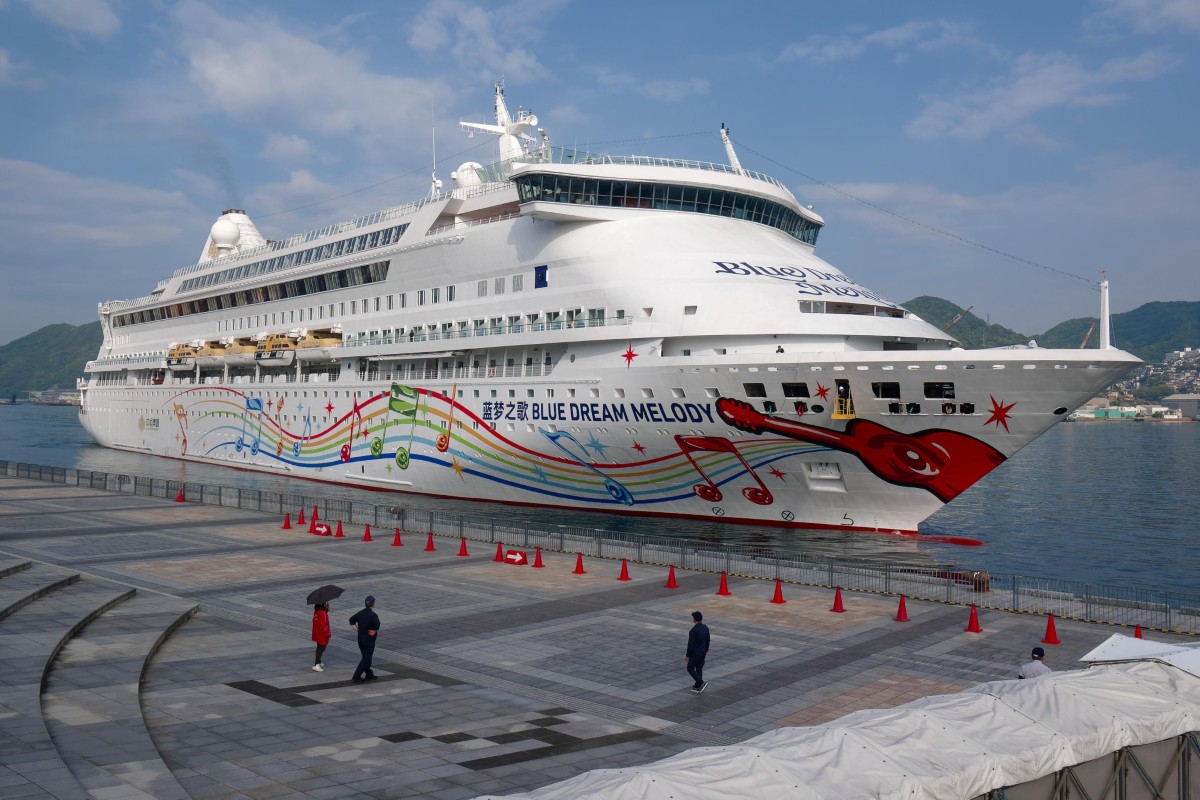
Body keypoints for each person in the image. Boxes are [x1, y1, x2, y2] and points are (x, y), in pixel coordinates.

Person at [349, 595, 380, 682]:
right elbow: (377, 625)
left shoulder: (361, 613)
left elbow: (351, 619)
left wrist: (354, 626)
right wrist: (374, 631)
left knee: (366, 657)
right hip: (369, 640)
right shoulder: (373, 615)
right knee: (366, 659)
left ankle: (369, 674)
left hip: (360, 639)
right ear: (373, 604)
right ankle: (356, 677)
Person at [685, 610, 710, 693]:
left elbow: (691, 644)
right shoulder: (705, 627)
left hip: (695, 653)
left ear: (694, 619)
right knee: (699, 667)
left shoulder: (693, 631)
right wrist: (706, 649)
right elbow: (708, 640)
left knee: (690, 668)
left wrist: (688, 655)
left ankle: (701, 683)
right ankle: (698, 685)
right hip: (703, 652)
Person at [311, 601, 331, 672]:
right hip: (322, 634)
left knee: (319, 647)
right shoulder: (323, 613)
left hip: (317, 632)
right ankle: (316, 665)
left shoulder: (317, 611)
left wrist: (327, 609)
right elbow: (324, 625)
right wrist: (327, 634)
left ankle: (318, 662)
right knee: (322, 648)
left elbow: (319, 619)